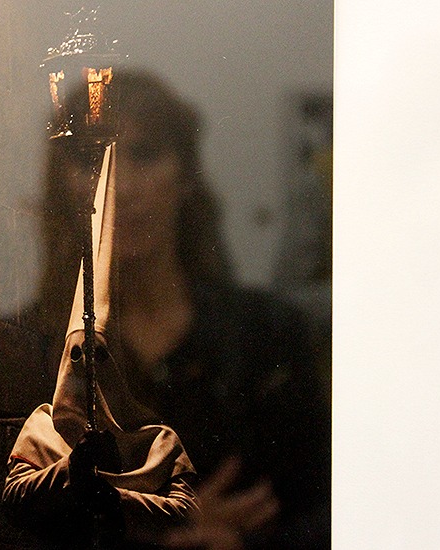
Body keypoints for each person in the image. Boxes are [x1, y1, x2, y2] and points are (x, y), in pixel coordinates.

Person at [22, 70, 330, 548]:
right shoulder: (29, 350)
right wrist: (160, 532)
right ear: (62, 184)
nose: (120, 186)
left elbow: (334, 511)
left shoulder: (266, 332)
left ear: (185, 177)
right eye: (90, 159)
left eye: (145, 154)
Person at [3, 142, 200, 547]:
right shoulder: (43, 429)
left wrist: (112, 497)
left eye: (99, 357)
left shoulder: (157, 442)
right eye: (78, 355)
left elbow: (183, 511)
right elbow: (15, 497)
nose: (87, 369)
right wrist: (72, 469)